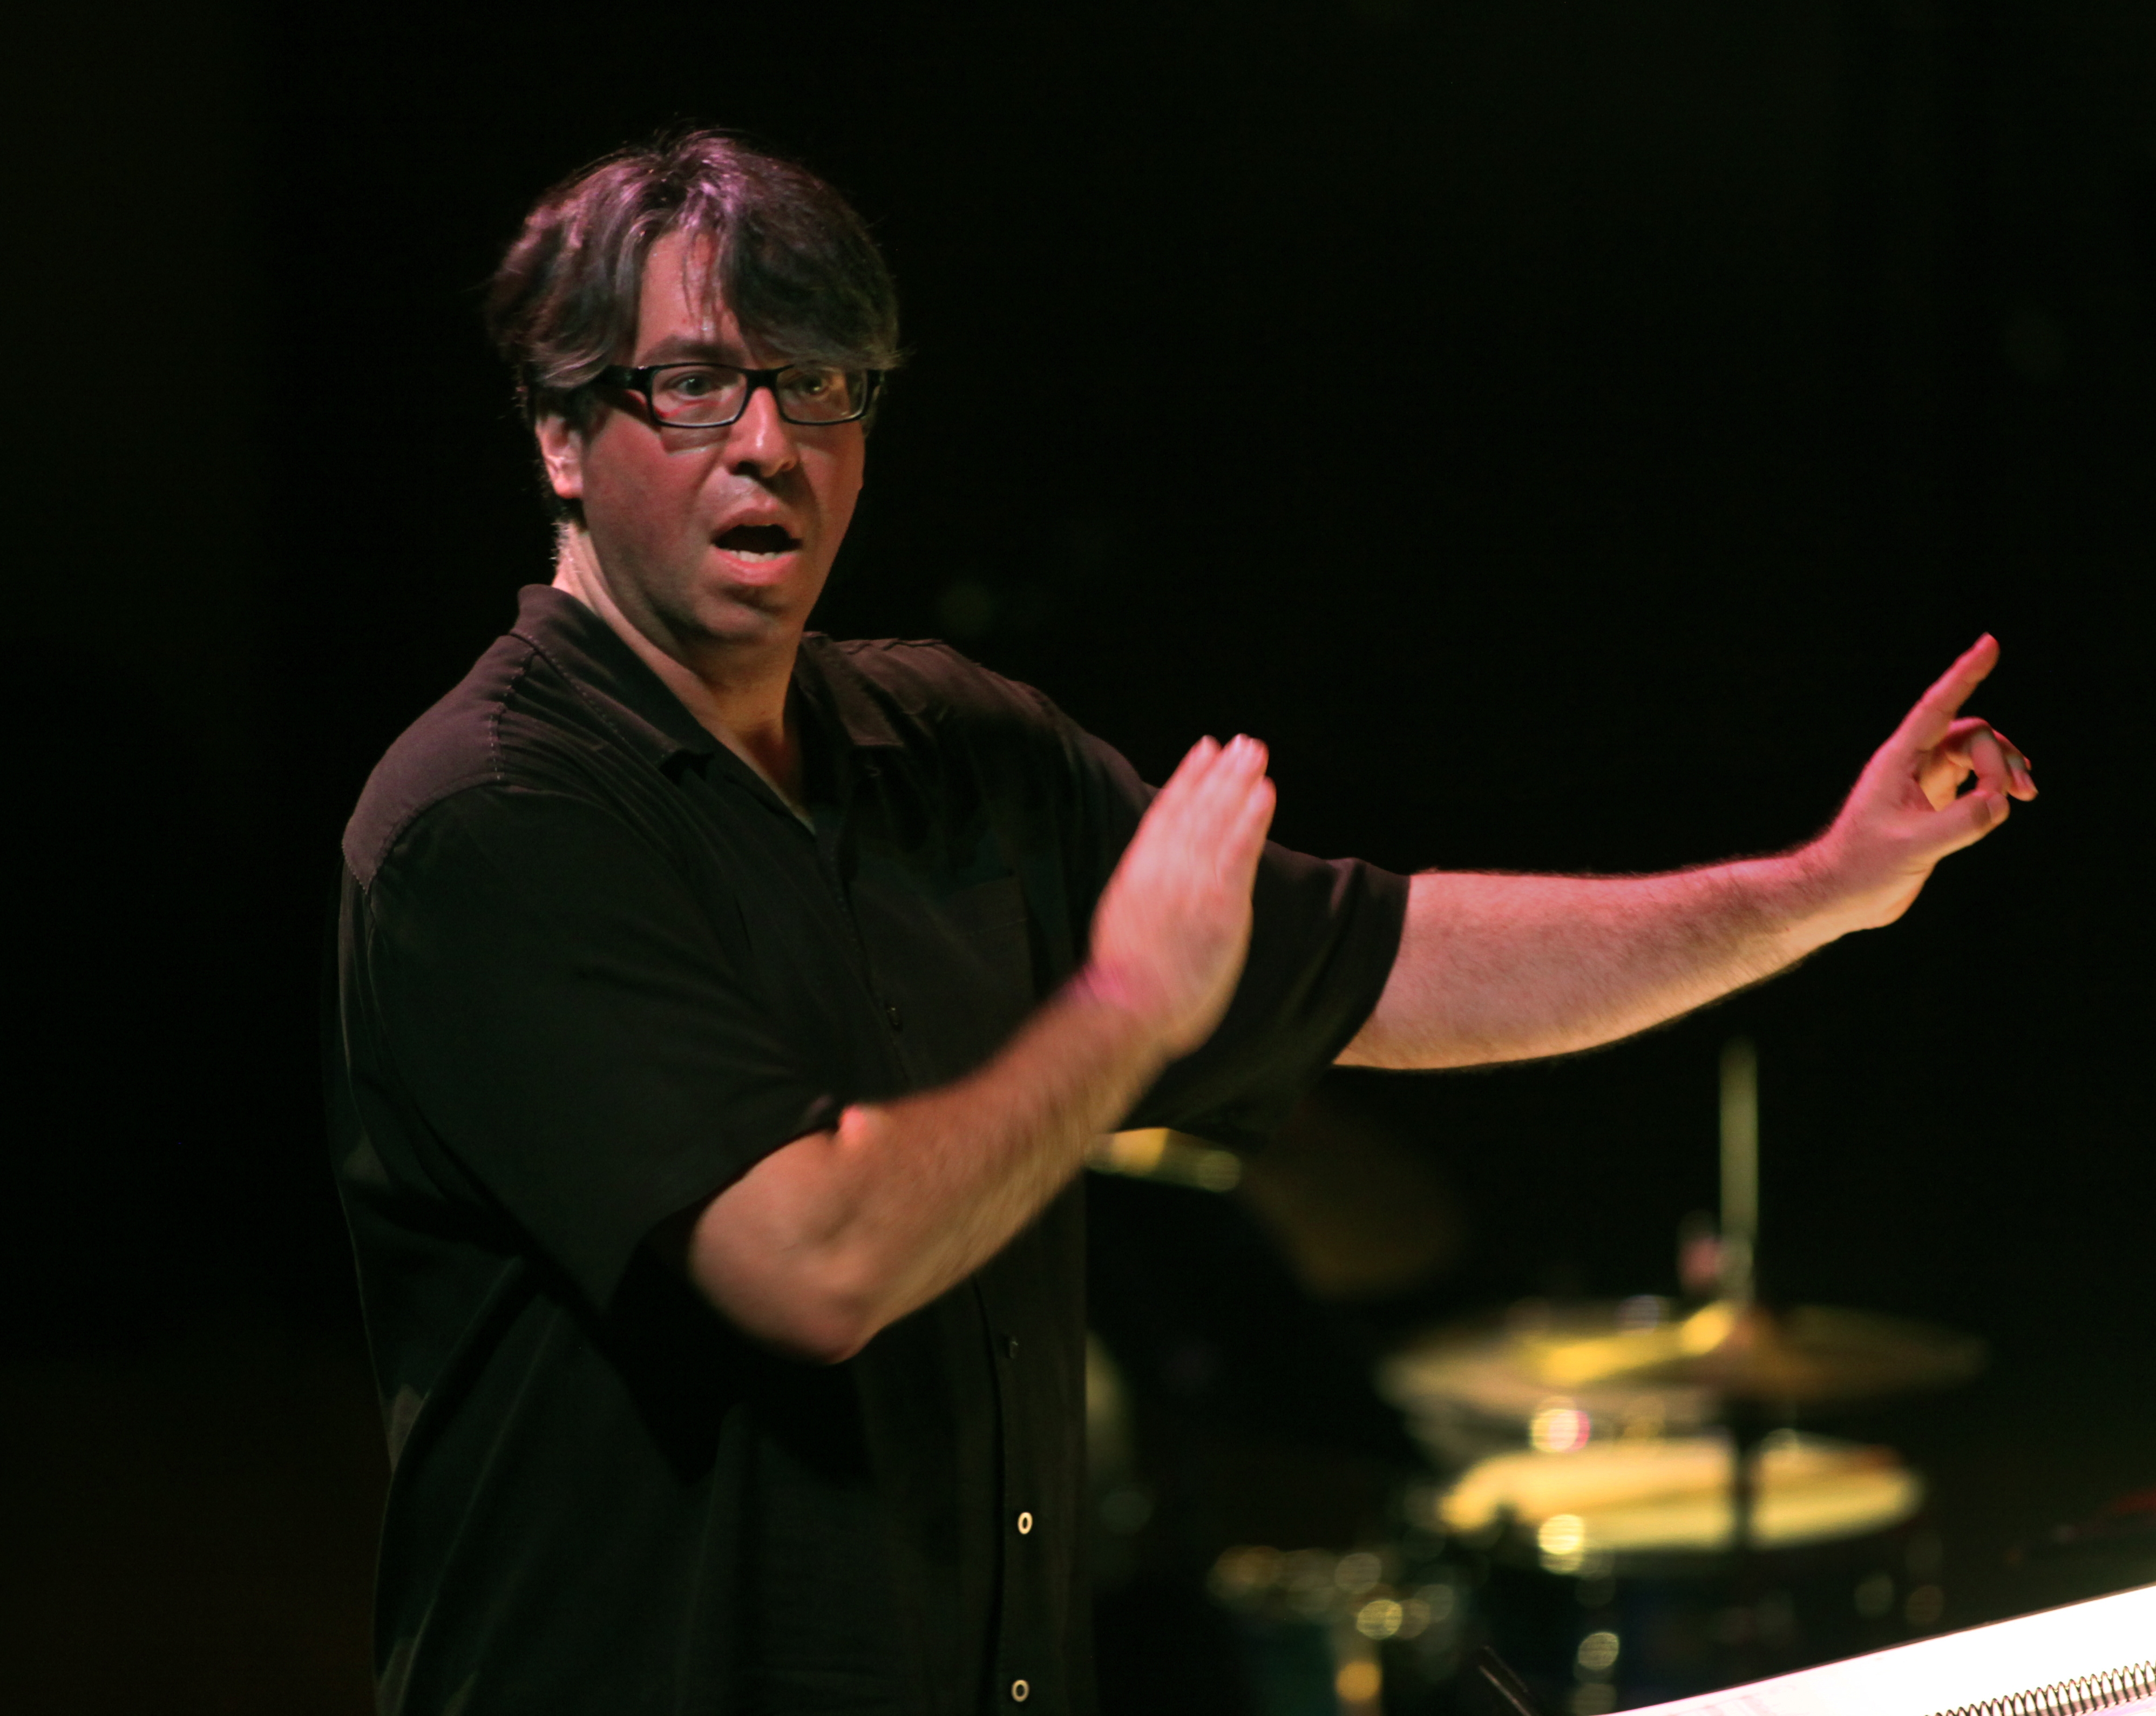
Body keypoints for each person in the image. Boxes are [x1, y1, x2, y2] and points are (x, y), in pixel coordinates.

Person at [324, 129, 2035, 1716]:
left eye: (823, 385)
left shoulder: (955, 751)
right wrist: (1126, 1005)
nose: (769, 440)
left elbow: (1396, 959)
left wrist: (1820, 888)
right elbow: (809, 1256)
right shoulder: (490, 824)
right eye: (695, 385)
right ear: (561, 432)